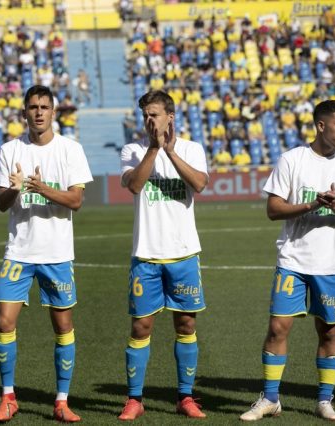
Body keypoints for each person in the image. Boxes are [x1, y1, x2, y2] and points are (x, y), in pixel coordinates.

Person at [240, 100, 335, 422]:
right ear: (321, 125)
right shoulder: (292, 159)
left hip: (331, 264)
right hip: (292, 260)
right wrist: (312, 205)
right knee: (278, 328)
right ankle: (270, 399)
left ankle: (325, 400)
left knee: (329, 332)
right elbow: (273, 210)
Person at [0, 85, 93, 423]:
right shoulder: (9, 150)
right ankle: (8, 398)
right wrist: (15, 188)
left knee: (63, 326)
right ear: (24, 113)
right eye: (33, 107)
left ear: (53, 112)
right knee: (4, 322)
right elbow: (1, 203)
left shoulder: (70, 149)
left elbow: (76, 200)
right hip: (19, 251)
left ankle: (61, 401)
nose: (38, 112)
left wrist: (41, 188)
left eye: (44, 107)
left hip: (57, 253)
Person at [118, 90, 209, 420]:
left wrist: (170, 151)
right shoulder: (133, 150)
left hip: (184, 254)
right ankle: (134, 399)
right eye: (145, 115)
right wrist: (155, 149)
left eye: (154, 114)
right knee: (141, 326)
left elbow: (199, 183)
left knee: (186, 324)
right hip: (146, 254)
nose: (148, 120)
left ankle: (185, 397)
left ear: (170, 116)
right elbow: (134, 185)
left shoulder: (191, 148)